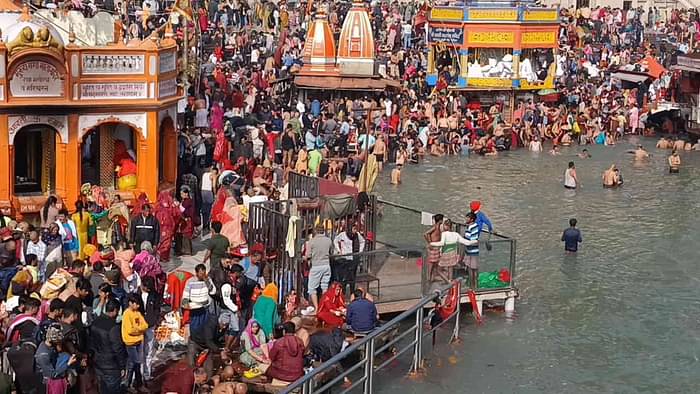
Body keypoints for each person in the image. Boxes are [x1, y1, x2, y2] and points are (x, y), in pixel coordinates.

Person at [88, 298, 126, 394]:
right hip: (111, 366)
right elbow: (118, 348)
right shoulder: (114, 327)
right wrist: (122, 366)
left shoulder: (95, 322)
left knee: (102, 389)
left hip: (98, 363)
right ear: (115, 310)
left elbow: (91, 343)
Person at [35, 324, 78, 394]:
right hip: (48, 383)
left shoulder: (50, 346)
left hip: (55, 372)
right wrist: (68, 364)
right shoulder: (43, 355)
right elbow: (52, 375)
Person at [121, 293, 148, 391]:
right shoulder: (126, 314)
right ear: (130, 303)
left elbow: (145, 325)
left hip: (138, 342)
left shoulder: (137, 313)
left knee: (133, 363)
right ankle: (134, 384)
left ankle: (130, 384)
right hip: (130, 343)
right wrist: (139, 329)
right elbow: (130, 330)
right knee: (135, 363)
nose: (138, 306)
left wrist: (137, 329)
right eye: (136, 304)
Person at [305, 224, 333, 312]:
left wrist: (304, 258)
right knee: (324, 286)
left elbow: (308, 255)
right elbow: (331, 252)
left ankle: (317, 308)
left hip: (316, 266)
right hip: (326, 265)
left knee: (312, 288)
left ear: (315, 231)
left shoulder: (312, 241)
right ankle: (324, 306)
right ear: (323, 230)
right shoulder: (329, 240)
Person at [175, 186, 196, 256]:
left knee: (186, 235)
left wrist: (178, 205)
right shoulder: (184, 200)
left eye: (182, 194)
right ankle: (181, 249)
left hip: (187, 221)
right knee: (181, 234)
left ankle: (187, 251)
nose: (181, 195)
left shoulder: (189, 201)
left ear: (186, 194)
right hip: (183, 220)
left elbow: (183, 210)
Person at [424, 214, 443, 282]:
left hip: (436, 247)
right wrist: (430, 243)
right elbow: (426, 234)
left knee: (435, 263)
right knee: (431, 263)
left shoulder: (438, 227)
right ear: (440, 220)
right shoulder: (435, 227)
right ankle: (429, 277)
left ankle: (432, 277)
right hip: (433, 247)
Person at [463, 212, 481, 289]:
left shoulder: (473, 227)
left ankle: (475, 286)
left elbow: (472, 239)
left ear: (471, 219)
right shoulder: (470, 226)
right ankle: (472, 285)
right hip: (468, 250)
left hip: (473, 251)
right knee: (470, 268)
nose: (466, 219)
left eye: (467, 218)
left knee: (473, 269)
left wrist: (464, 239)